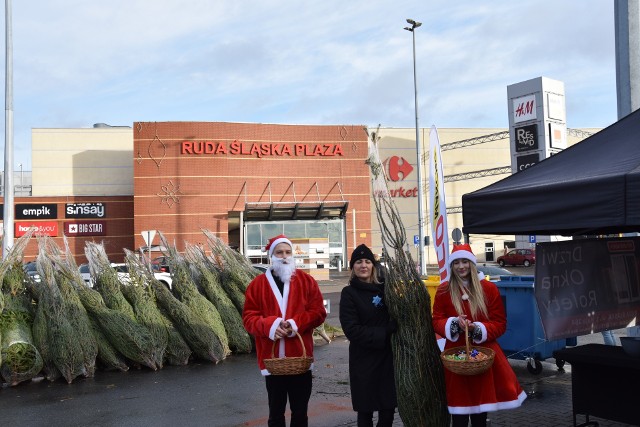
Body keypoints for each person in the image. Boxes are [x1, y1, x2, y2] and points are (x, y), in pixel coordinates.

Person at [432, 244, 527, 427]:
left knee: (480, 413)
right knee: (458, 413)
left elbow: (500, 323)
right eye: (457, 262)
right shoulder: (444, 290)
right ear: (452, 266)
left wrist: (477, 329)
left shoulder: (489, 289)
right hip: (456, 357)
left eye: (465, 262)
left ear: (472, 264)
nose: (461, 266)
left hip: (484, 355)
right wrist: (453, 323)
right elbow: (436, 320)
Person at [243, 234, 327, 427]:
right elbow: (248, 319)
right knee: (275, 415)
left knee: (300, 415)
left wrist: (294, 324)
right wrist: (271, 326)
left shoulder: (307, 281)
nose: (284, 256)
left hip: (301, 359)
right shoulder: (257, 285)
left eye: (288, 252)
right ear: (271, 256)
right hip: (272, 362)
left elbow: (318, 313)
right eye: (279, 252)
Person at [339, 244, 397, 427]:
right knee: (365, 413)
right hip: (362, 360)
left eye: (367, 261)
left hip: (387, 359)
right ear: (352, 267)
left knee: (387, 413)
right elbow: (352, 330)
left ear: (373, 265)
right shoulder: (349, 293)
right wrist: (385, 331)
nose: (363, 265)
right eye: (358, 262)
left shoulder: (385, 289)